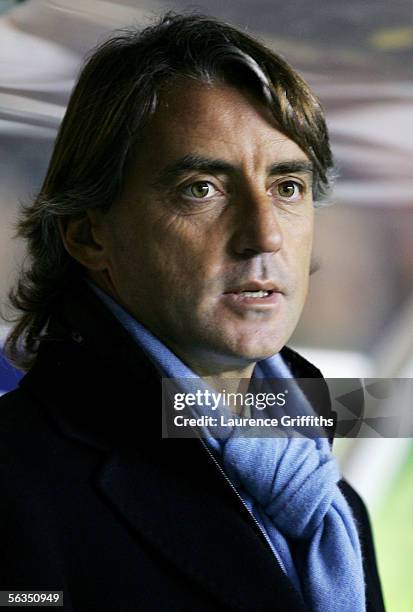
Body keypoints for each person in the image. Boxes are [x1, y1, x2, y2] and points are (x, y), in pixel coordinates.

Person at [0, 12, 384, 612]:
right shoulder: (17, 484)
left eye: (287, 187)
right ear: (88, 234)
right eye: (202, 187)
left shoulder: (329, 502)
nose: (264, 235)